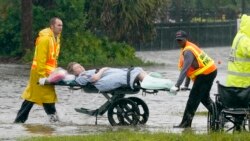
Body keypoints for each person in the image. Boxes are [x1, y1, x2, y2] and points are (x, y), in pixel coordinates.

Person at [14, 17, 63, 123]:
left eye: (61, 25)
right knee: (35, 97)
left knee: (40, 98)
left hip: (48, 74)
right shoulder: (45, 39)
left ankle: (19, 121)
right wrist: (42, 77)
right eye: (59, 25)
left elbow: (53, 58)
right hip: (39, 73)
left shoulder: (56, 38)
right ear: (52, 26)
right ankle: (55, 122)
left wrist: (55, 72)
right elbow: (41, 59)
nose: (61, 27)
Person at [170, 30, 217, 128]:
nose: (179, 42)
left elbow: (184, 70)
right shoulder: (186, 47)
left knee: (193, 99)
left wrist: (177, 85)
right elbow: (189, 70)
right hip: (209, 72)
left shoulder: (188, 51)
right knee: (204, 98)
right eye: (178, 40)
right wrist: (186, 85)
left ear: (186, 39)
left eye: (181, 40)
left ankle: (185, 124)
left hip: (206, 74)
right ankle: (219, 115)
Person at [66, 62, 174, 92]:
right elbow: (94, 79)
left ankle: (161, 82)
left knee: (137, 70)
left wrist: (103, 70)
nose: (80, 67)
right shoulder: (81, 77)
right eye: (77, 68)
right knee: (133, 73)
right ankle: (165, 84)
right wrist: (102, 70)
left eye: (80, 65)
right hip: (103, 81)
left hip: (107, 75)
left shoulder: (86, 72)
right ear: (73, 72)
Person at [226, 14, 250, 130]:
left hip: (233, 83)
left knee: (238, 106)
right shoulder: (245, 40)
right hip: (243, 83)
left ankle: (239, 126)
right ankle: (239, 126)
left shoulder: (238, 37)